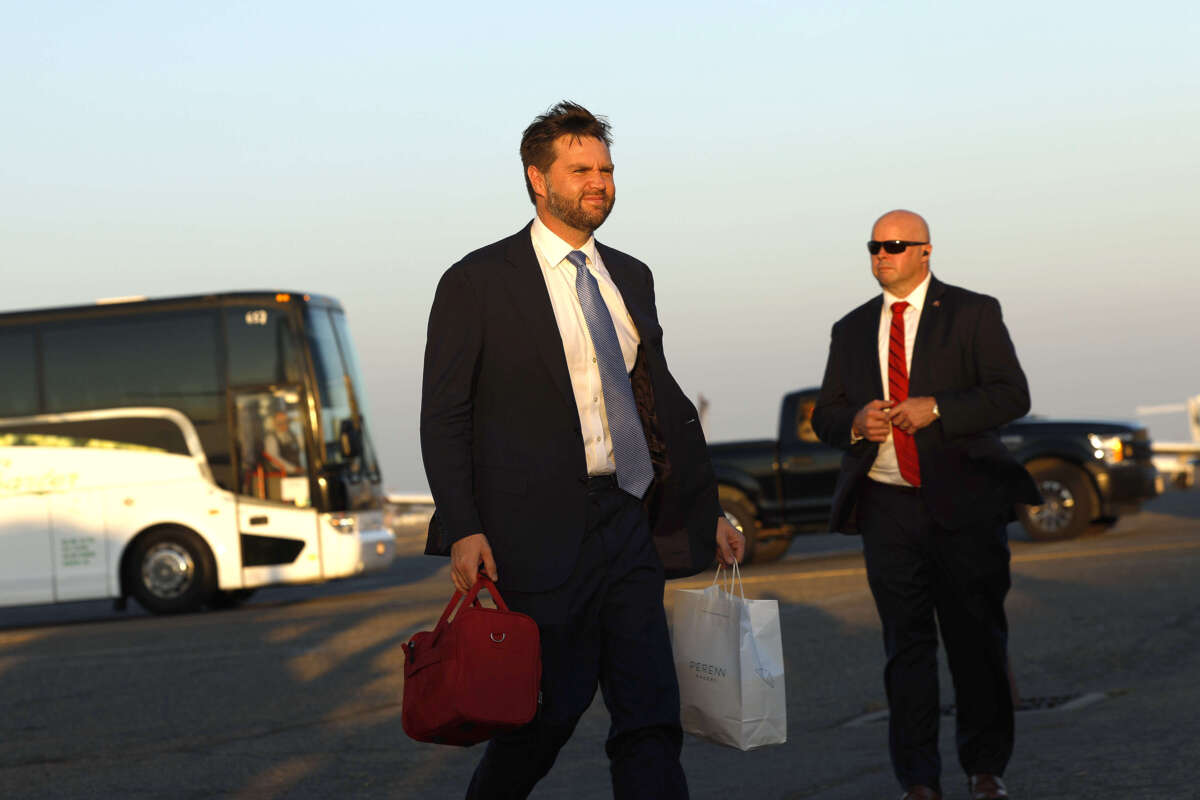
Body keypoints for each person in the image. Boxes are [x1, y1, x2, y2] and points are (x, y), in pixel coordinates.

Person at [420, 101, 744, 800]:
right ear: (538, 180)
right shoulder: (476, 282)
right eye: (581, 170)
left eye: (606, 168)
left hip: (626, 521)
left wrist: (703, 509)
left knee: (651, 714)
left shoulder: (632, 275)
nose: (599, 182)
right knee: (544, 715)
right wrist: (464, 526)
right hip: (531, 535)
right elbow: (445, 414)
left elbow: (659, 404)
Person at [811, 210, 1041, 800]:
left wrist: (936, 407)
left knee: (976, 642)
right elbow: (827, 416)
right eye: (874, 246)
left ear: (925, 251)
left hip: (963, 504)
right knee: (905, 648)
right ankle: (918, 780)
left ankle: (985, 768)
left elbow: (1011, 395)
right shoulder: (851, 327)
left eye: (894, 245)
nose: (882, 254)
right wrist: (857, 422)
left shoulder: (972, 312)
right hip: (887, 507)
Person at [262, 410, 302, 475]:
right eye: (280, 422)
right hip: (280, 476)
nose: (283, 424)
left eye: (286, 421)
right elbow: (273, 459)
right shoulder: (271, 438)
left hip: (296, 474)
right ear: (274, 423)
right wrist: (293, 469)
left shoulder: (292, 435)